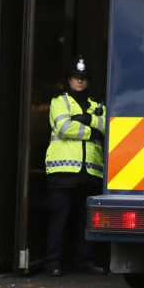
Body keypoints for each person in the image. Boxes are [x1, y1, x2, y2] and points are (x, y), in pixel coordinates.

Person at [44, 55, 106, 276]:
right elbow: (64, 127)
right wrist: (92, 129)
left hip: (90, 170)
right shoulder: (58, 102)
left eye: (84, 77)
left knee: (86, 221)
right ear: (68, 79)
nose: (80, 81)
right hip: (63, 170)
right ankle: (53, 263)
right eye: (76, 77)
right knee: (59, 217)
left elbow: (107, 126)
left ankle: (85, 262)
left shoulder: (97, 105)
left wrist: (84, 119)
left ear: (88, 80)